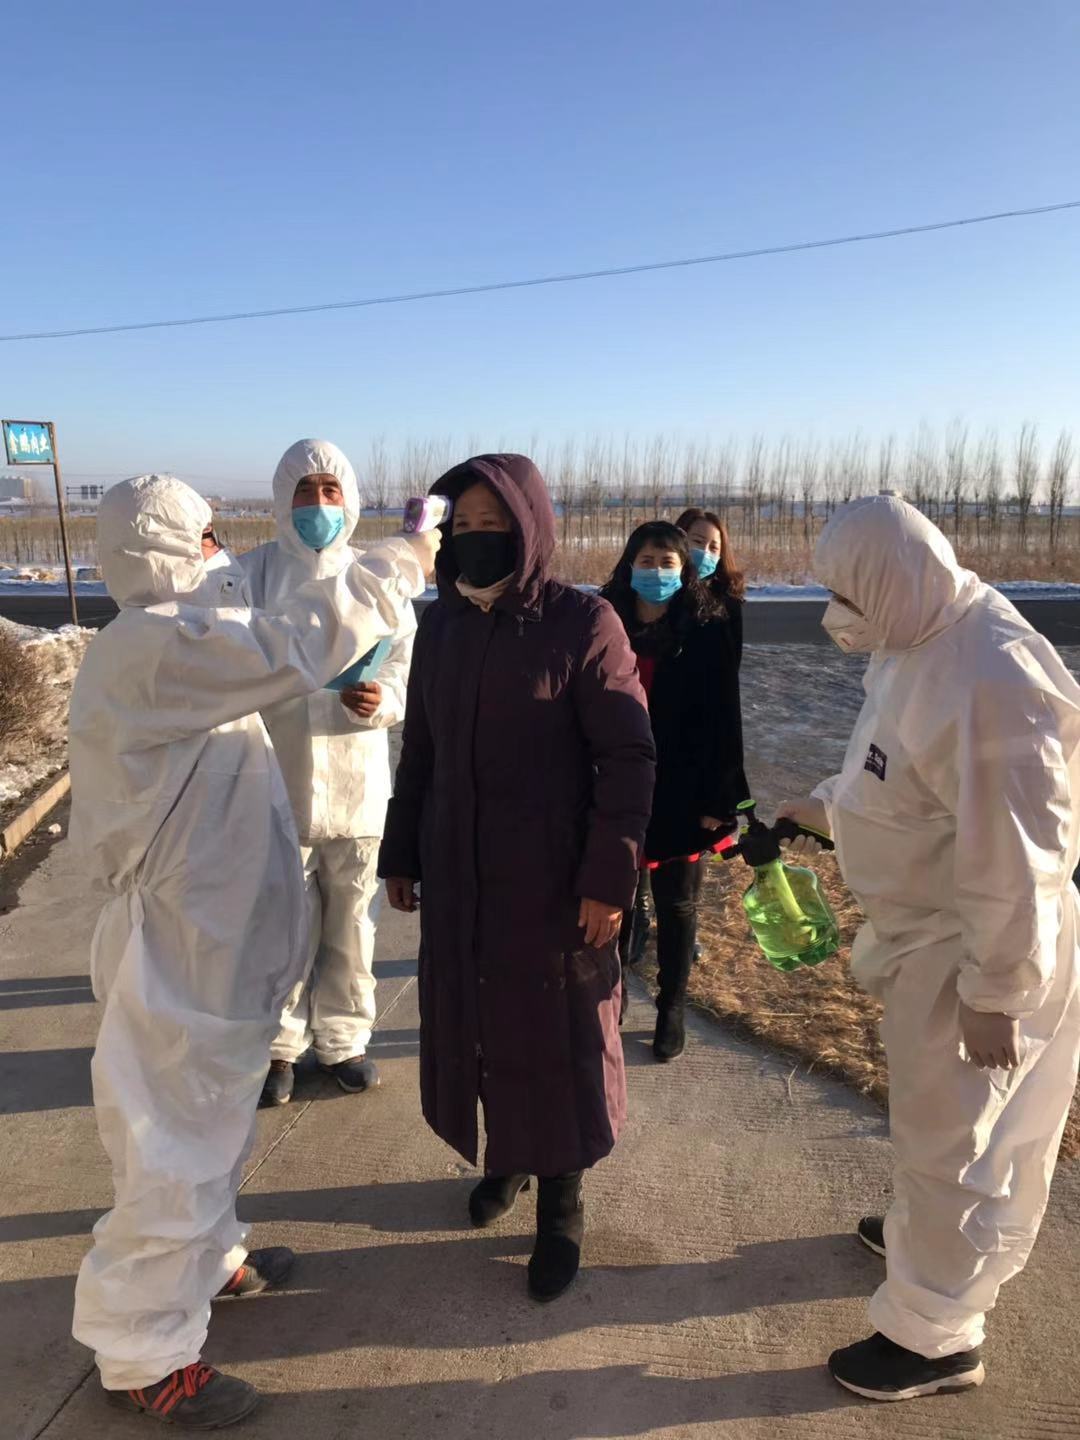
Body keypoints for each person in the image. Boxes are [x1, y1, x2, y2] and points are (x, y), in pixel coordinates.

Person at [69, 474, 437, 1429]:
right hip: (176, 958)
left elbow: (269, 639)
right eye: (203, 538)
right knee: (171, 1148)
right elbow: (295, 641)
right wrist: (400, 562)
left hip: (209, 951)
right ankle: (144, 1353)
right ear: (167, 550)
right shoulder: (155, 647)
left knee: (213, 1124)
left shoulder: (186, 642)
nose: (218, 555)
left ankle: (211, 1260)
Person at [780, 495, 1080, 1402]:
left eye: (847, 596)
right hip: (937, 942)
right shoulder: (918, 637)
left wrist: (998, 993)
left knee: (960, 1143)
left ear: (893, 579)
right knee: (936, 1127)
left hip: (978, 951)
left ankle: (935, 1335)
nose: (836, 617)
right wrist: (824, 809)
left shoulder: (992, 676)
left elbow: (1018, 858)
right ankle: (928, 1243)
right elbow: (898, 772)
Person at [378, 454, 655, 1303]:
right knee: (481, 1029)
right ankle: (509, 1158)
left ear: (529, 528)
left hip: (553, 885)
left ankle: (561, 1201)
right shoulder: (442, 627)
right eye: (462, 527)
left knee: (557, 1035)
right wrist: (401, 851)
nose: (476, 540)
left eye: (493, 526)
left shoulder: (583, 622)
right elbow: (420, 750)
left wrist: (608, 879)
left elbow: (627, 757)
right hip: (461, 878)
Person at [241, 440, 416, 1105]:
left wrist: (384, 700)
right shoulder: (252, 575)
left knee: (353, 923)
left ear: (351, 498)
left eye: (330, 490)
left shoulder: (376, 576)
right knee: (281, 926)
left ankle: (344, 1040)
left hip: (357, 779)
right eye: (305, 491)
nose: (318, 504)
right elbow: (227, 658)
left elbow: (402, 664)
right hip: (275, 779)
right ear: (282, 498)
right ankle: (279, 1047)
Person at [601, 522, 748, 1061]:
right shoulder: (605, 619)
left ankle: (672, 1005)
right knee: (614, 897)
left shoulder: (706, 626)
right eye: (647, 560)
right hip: (614, 782)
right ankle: (610, 998)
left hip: (682, 787)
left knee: (677, 903)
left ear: (684, 569)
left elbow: (724, 717)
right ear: (629, 563)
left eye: (668, 562)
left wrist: (720, 799)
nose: (656, 571)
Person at [674, 507, 746, 664]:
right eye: (698, 542)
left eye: (713, 548)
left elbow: (731, 663)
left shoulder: (727, 599)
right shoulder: (661, 590)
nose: (705, 552)